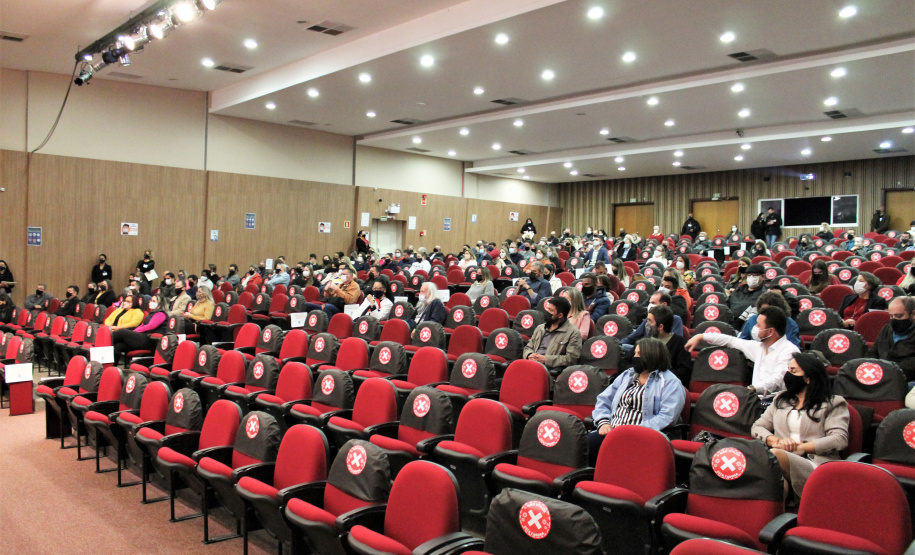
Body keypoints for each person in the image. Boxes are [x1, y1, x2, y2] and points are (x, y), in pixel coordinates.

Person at [751, 352, 849, 499]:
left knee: (774, 457)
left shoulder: (833, 403)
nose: (788, 375)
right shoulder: (781, 399)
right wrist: (775, 440)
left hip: (815, 463)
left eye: (793, 371)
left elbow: (838, 439)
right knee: (776, 484)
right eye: (788, 369)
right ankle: (776, 519)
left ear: (808, 378)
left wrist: (799, 447)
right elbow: (757, 427)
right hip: (780, 460)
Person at [588, 338, 686, 464]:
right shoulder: (627, 375)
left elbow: (667, 417)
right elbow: (603, 399)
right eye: (635, 353)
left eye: (639, 354)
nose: (635, 357)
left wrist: (629, 431)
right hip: (611, 432)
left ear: (652, 355)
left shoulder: (670, 382)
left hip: (642, 436)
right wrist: (603, 423)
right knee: (587, 444)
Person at [685, 306, 799, 398]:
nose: (754, 327)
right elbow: (731, 341)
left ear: (770, 331)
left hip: (778, 403)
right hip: (756, 400)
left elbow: (777, 379)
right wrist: (701, 336)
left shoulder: (789, 351)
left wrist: (753, 389)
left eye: (758, 325)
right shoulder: (759, 347)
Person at [522, 296, 582, 372]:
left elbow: (571, 359)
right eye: (547, 309)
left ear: (560, 315)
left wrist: (546, 359)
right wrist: (529, 355)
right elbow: (528, 347)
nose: (546, 312)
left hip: (549, 371)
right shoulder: (540, 328)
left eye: (550, 310)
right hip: (530, 365)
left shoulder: (573, 332)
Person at [111, 293, 169, 366]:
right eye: (151, 300)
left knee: (122, 332)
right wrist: (133, 332)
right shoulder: (151, 313)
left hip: (150, 341)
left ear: (160, 303)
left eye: (154, 301)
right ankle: (111, 367)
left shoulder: (161, 314)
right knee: (118, 346)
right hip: (143, 338)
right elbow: (142, 325)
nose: (150, 302)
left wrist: (133, 332)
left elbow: (150, 326)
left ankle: (104, 341)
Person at [869, 296, 915, 381]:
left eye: (899, 316)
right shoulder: (887, 328)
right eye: (891, 316)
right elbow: (873, 352)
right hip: (880, 375)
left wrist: (887, 369)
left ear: (913, 314)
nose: (894, 320)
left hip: (906, 379)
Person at [645, 304, 692, 384]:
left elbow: (684, 372)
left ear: (660, 327)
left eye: (650, 321)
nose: (646, 323)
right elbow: (626, 362)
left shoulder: (680, 343)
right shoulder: (645, 341)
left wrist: (658, 375)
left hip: (666, 384)